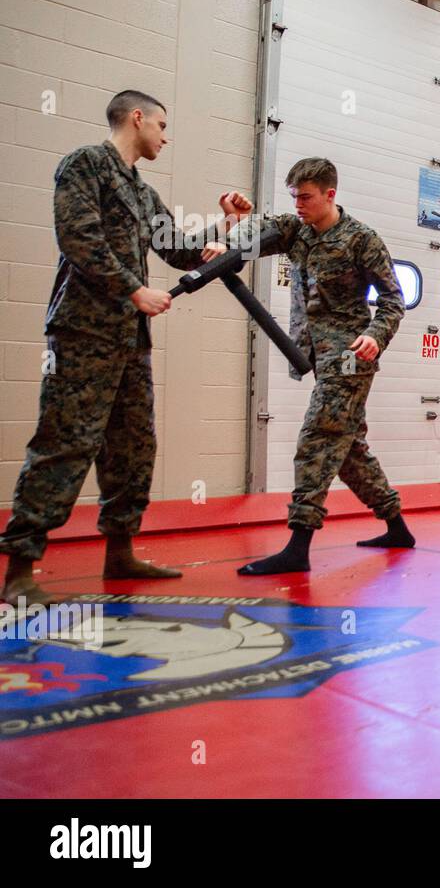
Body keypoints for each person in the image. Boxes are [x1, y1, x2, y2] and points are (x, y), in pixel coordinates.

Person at [0, 90, 248, 605]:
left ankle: (120, 553)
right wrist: (135, 290)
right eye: (161, 124)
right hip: (83, 332)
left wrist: (224, 224)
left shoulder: (140, 190)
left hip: (129, 340)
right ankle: (21, 568)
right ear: (137, 118)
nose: (165, 135)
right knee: (65, 443)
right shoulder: (85, 165)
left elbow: (177, 248)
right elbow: (79, 238)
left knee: (133, 447)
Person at [235, 157, 412, 575]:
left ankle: (298, 547)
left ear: (330, 195)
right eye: (294, 196)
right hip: (317, 354)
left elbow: (393, 299)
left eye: (306, 197)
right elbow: (252, 239)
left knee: (317, 439)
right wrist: (235, 222)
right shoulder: (297, 230)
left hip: (350, 358)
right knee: (348, 450)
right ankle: (397, 527)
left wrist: (376, 335)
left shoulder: (360, 239)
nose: (298, 204)